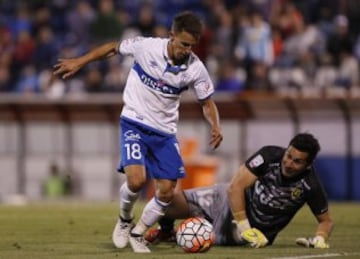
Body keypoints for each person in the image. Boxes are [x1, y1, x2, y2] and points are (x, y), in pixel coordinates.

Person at [53, 11, 223, 253]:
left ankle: (138, 231)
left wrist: (215, 125)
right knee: (136, 180)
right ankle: (124, 220)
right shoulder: (146, 47)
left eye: (192, 46)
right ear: (171, 35)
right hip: (134, 121)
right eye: (184, 44)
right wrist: (79, 61)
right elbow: (113, 48)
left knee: (167, 190)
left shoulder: (196, 68)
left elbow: (207, 103)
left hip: (164, 133)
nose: (187, 50)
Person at [145, 133, 334, 249]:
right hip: (229, 201)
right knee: (167, 201)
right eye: (288, 156)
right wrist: (245, 226)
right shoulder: (268, 156)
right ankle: (166, 232)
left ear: (308, 165)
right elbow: (236, 187)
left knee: (196, 239)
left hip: (255, 232)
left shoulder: (311, 185)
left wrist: (320, 238)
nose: (289, 163)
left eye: (297, 161)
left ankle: (182, 233)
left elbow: (326, 221)